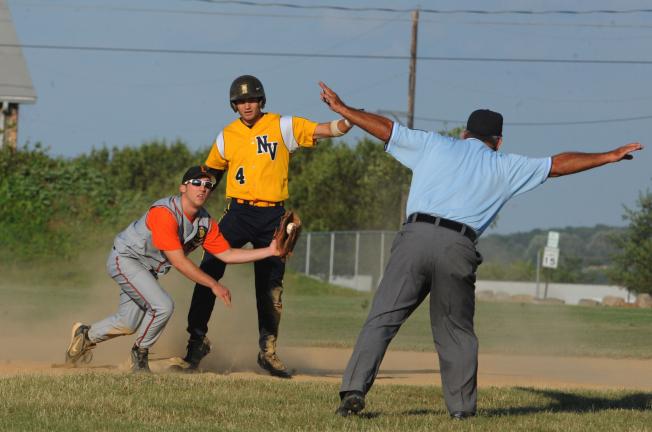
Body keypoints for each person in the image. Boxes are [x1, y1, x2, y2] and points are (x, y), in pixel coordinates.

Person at [318, 81, 643, 419]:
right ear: (498, 142)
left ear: (463, 133)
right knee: (455, 331)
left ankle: (354, 393)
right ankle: (461, 411)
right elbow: (557, 164)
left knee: (382, 319)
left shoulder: (434, 145)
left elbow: (387, 130)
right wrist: (607, 155)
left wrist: (345, 110)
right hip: (457, 246)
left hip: (414, 237)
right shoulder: (504, 166)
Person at [183, 75, 353, 377]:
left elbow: (328, 130)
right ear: (234, 105)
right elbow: (210, 174)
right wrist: (192, 208)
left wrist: (347, 115)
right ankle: (196, 342)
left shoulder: (282, 125)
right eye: (240, 101)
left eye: (252, 99)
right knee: (209, 270)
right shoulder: (227, 135)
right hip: (237, 213)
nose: (246, 104)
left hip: (273, 217)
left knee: (271, 288)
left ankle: (268, 351)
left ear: (261, 101)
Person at [64, 165, 280, 372]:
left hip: (146, 270)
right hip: (127, 259)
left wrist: (270, 250)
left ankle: (86, 335)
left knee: (128, 323)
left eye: (208, 184)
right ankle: (138, 356)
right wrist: (214, 284)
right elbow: (178, 261)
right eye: (196, 182)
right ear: (183, 187)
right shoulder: (165, 212)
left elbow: (227, 253)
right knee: (163, 306)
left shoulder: (205, 222)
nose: (203, 187)